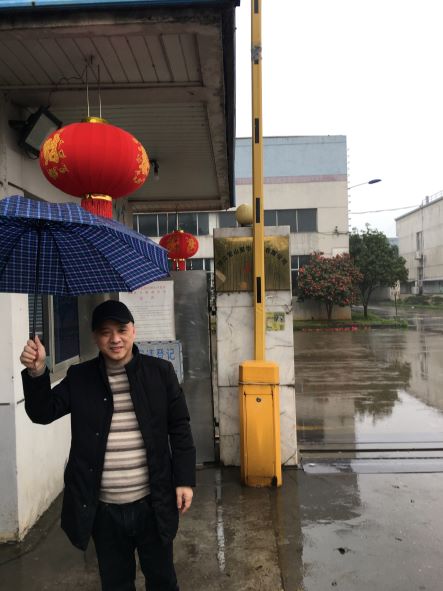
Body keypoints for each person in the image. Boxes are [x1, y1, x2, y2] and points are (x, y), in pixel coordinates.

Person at [20, 299, 196, 591]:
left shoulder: (160, 373)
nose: (115, 339)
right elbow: (42, 412)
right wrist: (38, 372)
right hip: (104, 511)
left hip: (153, 503)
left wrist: (185, 480)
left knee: (163, 581)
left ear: (133, 331)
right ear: (95, 337)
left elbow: (180, 427)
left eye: (122, 330)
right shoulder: (80, 377)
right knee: (116, 584)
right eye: (105, 332)